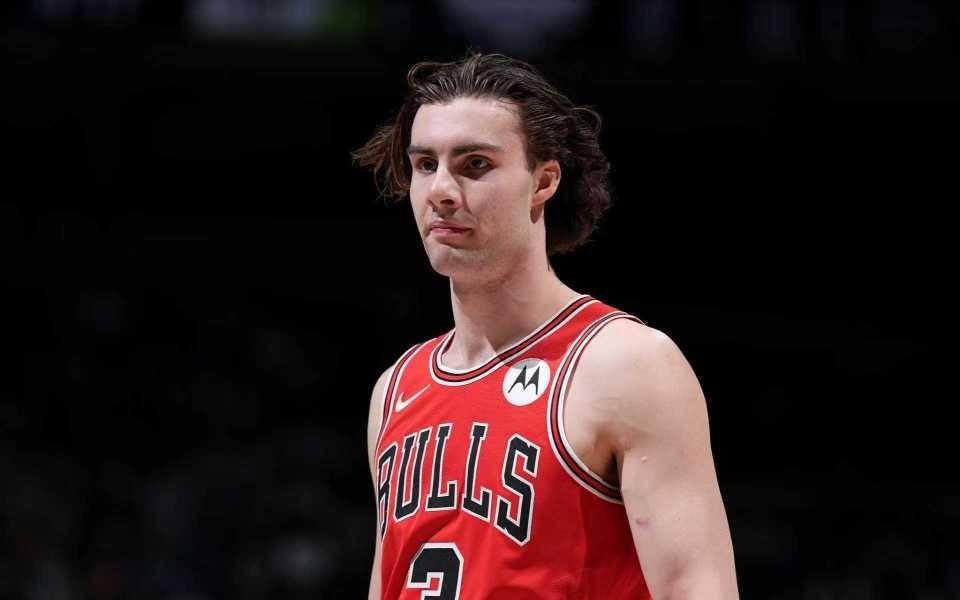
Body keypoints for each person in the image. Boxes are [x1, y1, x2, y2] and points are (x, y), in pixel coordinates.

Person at [353, 52, 739, 600]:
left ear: (544, 180)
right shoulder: (394, 389)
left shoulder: (626, 364)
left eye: (474, 164)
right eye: (424, 165)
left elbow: (697, 588)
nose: (440, 189)